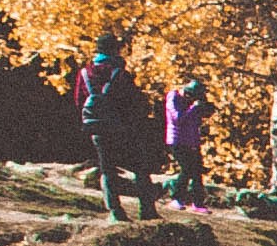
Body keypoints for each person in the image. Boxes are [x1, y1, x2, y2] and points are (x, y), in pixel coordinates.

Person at [74, 37, 158, 221]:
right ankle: (147, 210)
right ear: (115, 51)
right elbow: (133, 103)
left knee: (108, 169)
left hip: (96, 126)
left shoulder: (85, 73)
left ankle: (115, 211)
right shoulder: (119, 73)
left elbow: (79, 101)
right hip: (121, 128)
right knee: (140, 167)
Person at [163, 73, 212, 210]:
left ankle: (198, 203)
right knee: (186, 169)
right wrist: (193, 108)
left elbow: (200, 118)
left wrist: (203, 108)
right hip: (177, 139)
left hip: (192, 140)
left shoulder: (193, 103)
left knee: (196, 172)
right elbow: (177, 119)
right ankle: (177, 199)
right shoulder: (173, 97)